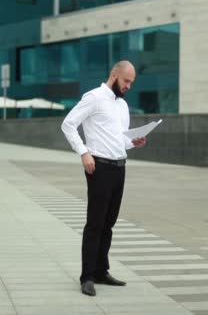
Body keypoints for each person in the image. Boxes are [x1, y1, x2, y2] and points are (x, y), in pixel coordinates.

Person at [61, 60, 147, 296]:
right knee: (95, 223)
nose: (129, 86)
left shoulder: (123, 105)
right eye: (126, 81)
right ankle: (87, 276)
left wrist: (134, 142)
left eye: (131, 82)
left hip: (120, 167)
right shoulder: (94, 97)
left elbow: (120, 139)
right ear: (114, 75)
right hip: (98, 167)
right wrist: (84, 152)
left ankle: (101, 271)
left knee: (108, 223)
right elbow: (68, 124)